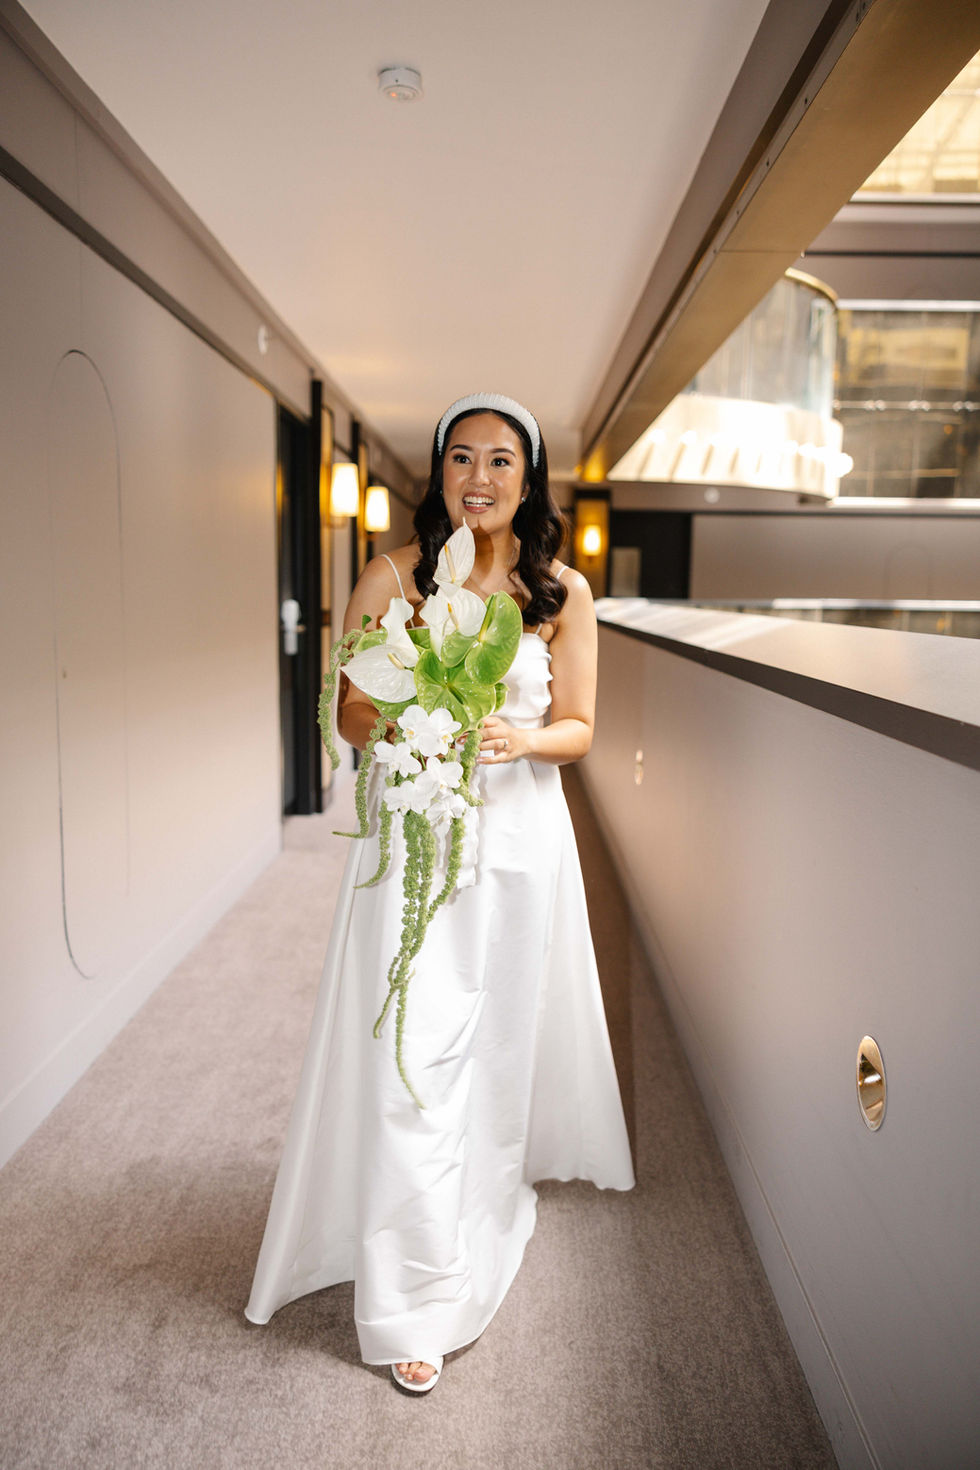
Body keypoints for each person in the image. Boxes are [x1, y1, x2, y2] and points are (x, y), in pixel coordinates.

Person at [245, 392, 634, 1392]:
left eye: (500, 460)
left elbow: (580, 727)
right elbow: (348, 711)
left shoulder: (562, 593)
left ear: (528, 480)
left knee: (493, 1049)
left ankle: (474, 1213)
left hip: (520, 841)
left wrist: (519, 737)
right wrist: (414, 718)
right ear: (439, 472)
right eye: (461, 457)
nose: (479, 476)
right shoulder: (390, 577)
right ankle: (411, 1295)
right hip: (416, 834)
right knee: (412, 1052)